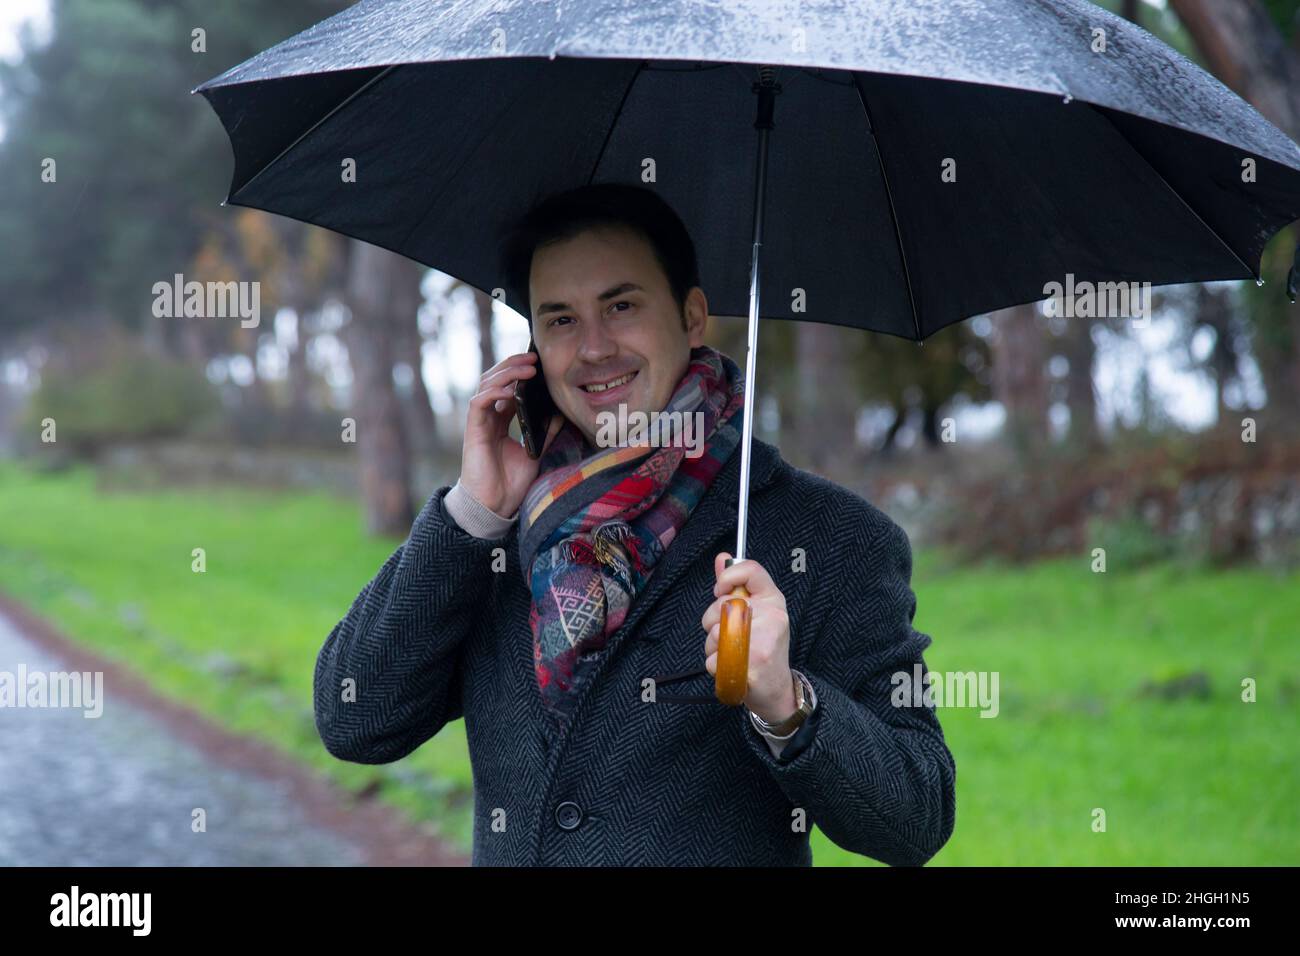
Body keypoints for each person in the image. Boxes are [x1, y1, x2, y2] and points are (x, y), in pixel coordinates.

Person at [312, 183, 956, 866]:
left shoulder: (829, 537)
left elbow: (918, 813)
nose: (593, 348)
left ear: (692, 316)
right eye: (559, 319)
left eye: (621, 306)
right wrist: (473, 513)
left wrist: (788, 705)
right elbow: (357, 721)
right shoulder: (501, 529)